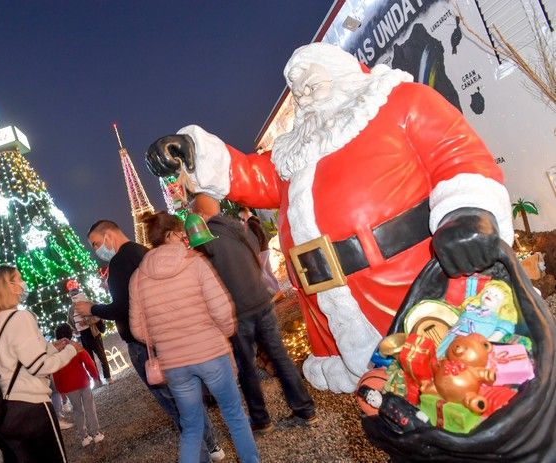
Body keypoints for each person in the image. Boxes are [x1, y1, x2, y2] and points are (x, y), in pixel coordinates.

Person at [146, 42, 513, 393]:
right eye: (297, 90)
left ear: (344, 74)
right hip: (337, 306)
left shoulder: (401, 102)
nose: (303, 95)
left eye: (312, 83)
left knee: (471, 389)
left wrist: (469, 216)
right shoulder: (295, 156)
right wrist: (192, 151)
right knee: (397, 416)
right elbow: (250, 175)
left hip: (414, 285)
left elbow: (458, 158)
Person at [74, 220, 224, 462]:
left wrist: (92, 308)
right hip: (166, 335)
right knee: (186, 395)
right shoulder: (142, 252)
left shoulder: (119, 262)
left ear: (109, 236)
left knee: (173, 402)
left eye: (96, 243)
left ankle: (200, 455)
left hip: (143, 345)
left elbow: (122, 307)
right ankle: (213, 445)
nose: (95, 250)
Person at [129, 211, 259, 463]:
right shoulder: (195, 262)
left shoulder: (137, 278)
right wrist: (226, 330)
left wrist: (165, 337)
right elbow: (221, 310)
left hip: (174, 364)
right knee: (233, 414)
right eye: (181, 233)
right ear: (170, 235)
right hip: (211, 353)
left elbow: (138, 330)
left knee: (191, 427)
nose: (184, 238)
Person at [190, 196, 316, 434]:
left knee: (246, 366)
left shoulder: (205, 241)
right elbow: (256, 254)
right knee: (280, 357)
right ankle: (305, 409)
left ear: (200, 215)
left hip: (237, 311)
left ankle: (261, 419)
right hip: (261, 300)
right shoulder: (239, 227)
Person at [0, 265, 79, 463]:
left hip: (7, 410)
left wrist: (52, 347)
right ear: (7, 286)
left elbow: (13, 358)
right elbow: (38, 367)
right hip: (32, 407)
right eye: (18, 279)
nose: (22, 283)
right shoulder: (20, 317)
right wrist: (71, 351)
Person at [52, 323, 104, 447]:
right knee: (90, 408)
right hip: (83, 382)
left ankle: (84, 437)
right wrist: (95, 376)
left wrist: (60, 389)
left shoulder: (56, 352)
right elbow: (88, 362)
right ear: (70, 334)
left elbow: (56, 373)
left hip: (69, 388)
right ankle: (96, 434)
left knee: (77, 410)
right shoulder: (76, 347)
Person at [237, 207, 282, 300]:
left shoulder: (251, 223)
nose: (241, 218)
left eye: (241, 216)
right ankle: (278, 291)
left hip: (261, 250)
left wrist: (256, 251)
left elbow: (258, 237)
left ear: (244, 213)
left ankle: (276, 292)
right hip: (264, 249)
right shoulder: (253, 222)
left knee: (260, 272)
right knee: (267, 271)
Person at [67, 303, 112, 385]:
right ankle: (97, 380)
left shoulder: (86, 303)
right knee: (89, 360)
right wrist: (74, 330)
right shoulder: (71, 309)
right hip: (82, 336)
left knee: (101, 356)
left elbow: (97, 316)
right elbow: (70, 322)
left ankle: (108, 377)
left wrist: (87, 322)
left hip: (93, 334)